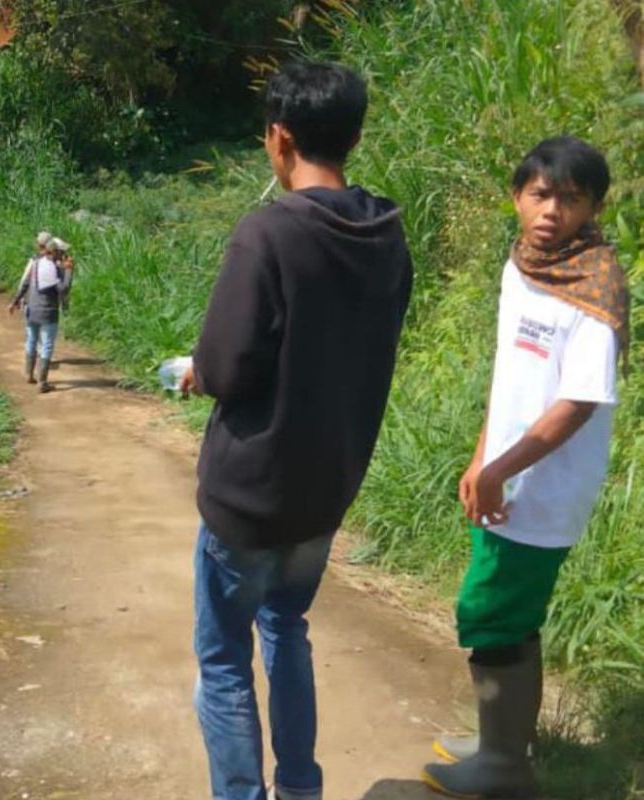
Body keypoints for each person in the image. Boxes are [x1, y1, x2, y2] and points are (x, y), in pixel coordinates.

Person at [179, 61, 412, 800]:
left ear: (279, 138)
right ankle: (302, 788)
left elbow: (225, 364)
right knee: (287, 627)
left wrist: (199, 370)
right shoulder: (385, 233)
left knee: (222, 659)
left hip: (251, 495)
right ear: (353, 134)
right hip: (326, 489)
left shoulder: (269, 234)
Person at [421, 137, 626, 799]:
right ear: (517, 196)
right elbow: (512, 374)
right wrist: (484, 456)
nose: (551, 211)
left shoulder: (595, 286)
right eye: (540, 194)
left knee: (492, 610)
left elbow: (577, 406)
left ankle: (504, 768)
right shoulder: (525, 264)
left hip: (544, 485)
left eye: (570, 198)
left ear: (594, 206)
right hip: (504, 474)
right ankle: (505, 740)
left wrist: (500, 469)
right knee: (512, 612)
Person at [9, 236, 72, 393]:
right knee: (47, 345)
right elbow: (63, 290)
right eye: (62, 252)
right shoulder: (54, 269)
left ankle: (28, 374)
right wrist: (69, 271)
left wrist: (15, 301)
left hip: (31, 310)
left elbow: (25, 284)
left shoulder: (36, 263)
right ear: (55, 252)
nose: (64, 255)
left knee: (31, 340)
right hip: (47, 312)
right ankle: (42, 382)